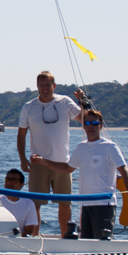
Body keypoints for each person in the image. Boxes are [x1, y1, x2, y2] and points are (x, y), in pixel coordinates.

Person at [31, 108, 128, 240]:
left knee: (101, 243)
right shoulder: (81, 148)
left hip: (104, 204)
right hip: (86, 204)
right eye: (87, 124)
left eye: (94, 123)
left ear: (101, 126)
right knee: (86, 242)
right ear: (83, 126)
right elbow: (67, 168)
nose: (91, 127)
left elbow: (124, 170)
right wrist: (45, 162)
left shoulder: (110, 147)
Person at [17, 70, 84, 237]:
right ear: (37, 86)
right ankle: (34, 238)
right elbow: (21, 135)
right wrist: (23, 159)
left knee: (65, 203)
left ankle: (65, 237)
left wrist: (83, 101)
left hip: (63, 164)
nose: (45, 88)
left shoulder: (65, 102)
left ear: (54, 86)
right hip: (38, 163)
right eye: (42, 85)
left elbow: (85, 119)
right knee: (36, 204)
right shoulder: (28, 107)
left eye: (48, 85)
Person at [0, 168, 39, 236]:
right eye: (7, 180)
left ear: (21, 185)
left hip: (19, 241)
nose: (9, 183)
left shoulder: (29, 204)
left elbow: (28, 231)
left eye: (14, 181)